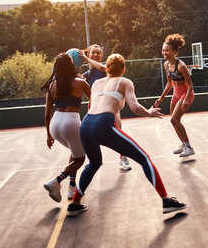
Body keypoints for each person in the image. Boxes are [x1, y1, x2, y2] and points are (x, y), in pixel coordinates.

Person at [68, 53, 186, 217]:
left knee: (94, 163)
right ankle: (166, 200)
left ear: (106, 68)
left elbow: (93, 106)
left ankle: (74, 204)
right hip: (103, 124)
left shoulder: (96, 83)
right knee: (144, 158)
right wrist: (149, 113)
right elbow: (135, 108)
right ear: (124, 68)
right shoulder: (125, 82)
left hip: (86, 125)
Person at [42, 53, 91, 202]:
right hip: (71, 122)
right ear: (71, 66)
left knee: (74, 151)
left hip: (55, 124)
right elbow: (95, 102)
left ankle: (71, 187)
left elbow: (47, 114)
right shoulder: (80, 83)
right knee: (80, 159)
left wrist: (49, 135)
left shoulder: (52, 86)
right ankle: (56, 181)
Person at [78, 45, 132, 171]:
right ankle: (94, 159)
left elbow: (101, 67)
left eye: (98, 53)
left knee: (119, 129)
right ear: (89, 55)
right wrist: (82, 83)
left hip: (110, 106)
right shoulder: (86, 75)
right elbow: (89, 95)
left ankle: (123, 158)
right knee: (90, 134)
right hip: (95, 105)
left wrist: (85, 58)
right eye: (93, 53)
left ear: (102, 56)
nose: (96, 55)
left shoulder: (107, 69)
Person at [153, 34, 195, 157]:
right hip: (176, 94)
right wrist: (160, 99)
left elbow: (190, 85)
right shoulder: (166, 65)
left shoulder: (181, 66)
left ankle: (189, 147)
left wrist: (186, 99)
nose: (164, 53)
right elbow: (169, 84)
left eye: (167, 51)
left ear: (174, 52)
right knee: (174, 121)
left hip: (186, 94)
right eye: (163, 50)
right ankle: (183, 144)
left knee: (174, 119)